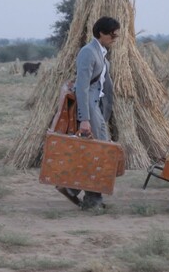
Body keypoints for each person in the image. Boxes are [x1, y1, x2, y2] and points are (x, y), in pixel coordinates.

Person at [56, 16, 120, 210]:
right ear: (101, 32)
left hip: (97, 107)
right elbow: (82, 87)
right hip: (89, 108)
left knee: (97, 152)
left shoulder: (102, 53)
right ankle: (86, 196)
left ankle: (77, 191)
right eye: (112, 33)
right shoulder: (88, 52)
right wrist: (84, 119)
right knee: (99, 152)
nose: (115, 37)